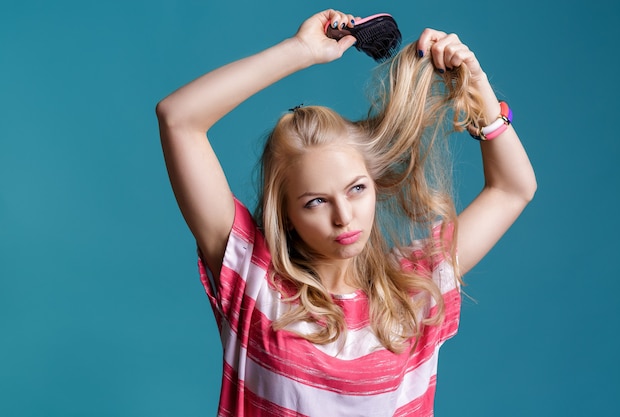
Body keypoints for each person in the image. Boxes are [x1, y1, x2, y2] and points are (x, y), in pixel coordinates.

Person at [156, 9, 536, 417]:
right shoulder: (253, 279)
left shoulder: (416, 286)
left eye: (356, 189)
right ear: (284, 214)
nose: (344, 217)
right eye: (315, 201)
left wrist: (478, 89)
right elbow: (178, 118)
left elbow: (514, 188)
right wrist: (299, 51)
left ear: (374, 185)